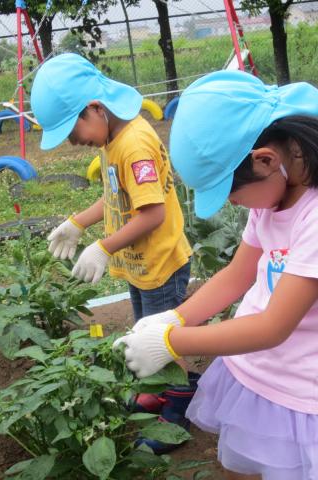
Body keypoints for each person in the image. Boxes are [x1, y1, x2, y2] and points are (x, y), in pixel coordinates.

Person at [114, 71, 318, 480]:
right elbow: (238, 274)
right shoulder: (276, 190)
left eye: (231, 193)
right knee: (238, 466)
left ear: (266, 159)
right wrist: (176, 318)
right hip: (248, 369)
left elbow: (274, 327)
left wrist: (171, 342)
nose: (235, 204)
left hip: (293, 394)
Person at [30, 53, 197, 452]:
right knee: (145, 332)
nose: (75, 143)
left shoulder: (133, 145)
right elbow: (114, 197)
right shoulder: (112, 139)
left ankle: (178, 407)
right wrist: (78, 222)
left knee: (163, 338)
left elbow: (153, 213)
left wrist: (103, 247)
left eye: (73, 132)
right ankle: (159, 388)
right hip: (140, 265)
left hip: (159, 263)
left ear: (95, 108)